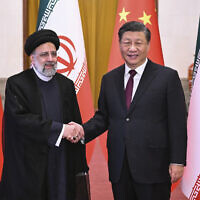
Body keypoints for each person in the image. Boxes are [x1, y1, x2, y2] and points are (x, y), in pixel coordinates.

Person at [70, 21, 187, 200]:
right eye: (127, 43)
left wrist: (177, 160)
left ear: (148, 45)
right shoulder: (109, 79)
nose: (132, 48)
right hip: (120, 165)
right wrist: (81, 130)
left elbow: (177, 123)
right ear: (120, 45)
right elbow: (103, 117)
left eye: (138, 43)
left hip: (154, 165)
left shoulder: (167, 77)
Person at [0, 29, 88, 200]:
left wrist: (76, 131)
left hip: (61, 161)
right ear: (32, 58)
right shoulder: (17, 84)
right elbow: (21, 122)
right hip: (29, 166)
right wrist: (60, 130)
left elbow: (75, 121)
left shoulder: (66, 85)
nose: (50, 59)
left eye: (53, 54)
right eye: (44, 55)